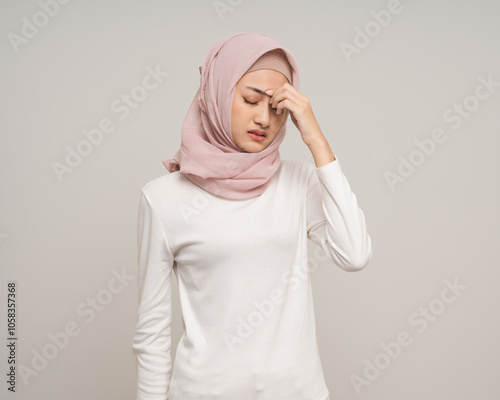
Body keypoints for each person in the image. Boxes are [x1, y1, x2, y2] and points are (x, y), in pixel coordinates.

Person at [132, 32, 372, 400]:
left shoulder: (298, 182)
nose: (264, 118)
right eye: (249, 99)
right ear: (215, 94)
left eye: (278, 108)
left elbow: (354, 254)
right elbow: (151, 334)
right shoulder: (163, 199)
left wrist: (317, 142)